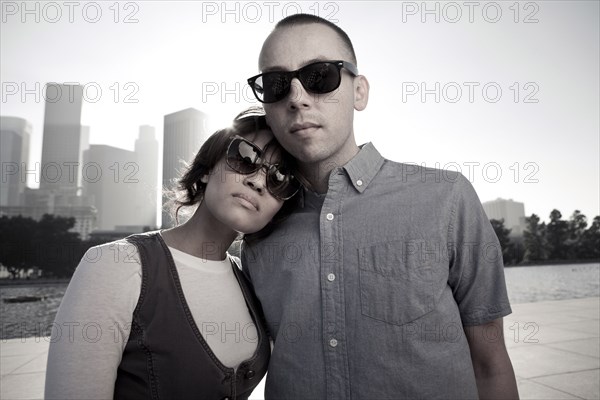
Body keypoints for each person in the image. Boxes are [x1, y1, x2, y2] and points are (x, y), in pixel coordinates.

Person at [242, 14, 520, 399]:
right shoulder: (258, 232)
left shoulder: (446, 198)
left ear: (360, 92)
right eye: (275, 84)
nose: (297, 98)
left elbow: (490, 366)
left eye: (319, 76)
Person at [44, 108, 301, 400]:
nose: (257, 181)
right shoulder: (114, 266)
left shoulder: (250, 282)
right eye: (245, 157)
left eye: (280, 178)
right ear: (206, 171)